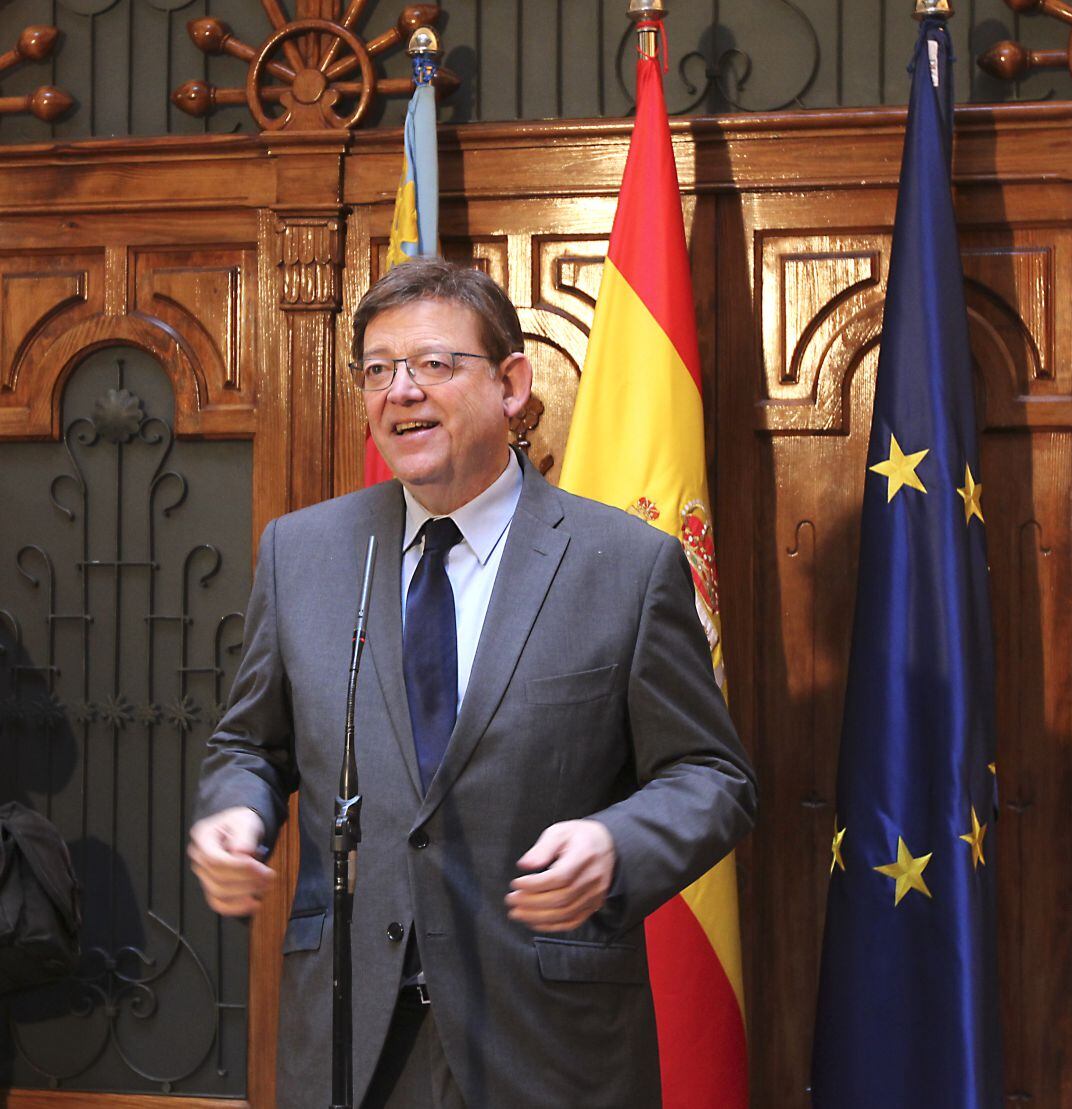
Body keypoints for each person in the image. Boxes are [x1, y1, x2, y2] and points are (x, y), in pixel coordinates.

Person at [188, 259, 757, 1109]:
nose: (400, 391)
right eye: (377, 369)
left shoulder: (626, 565)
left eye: (433, 363)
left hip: (546, 1040)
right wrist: (237, 811)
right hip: (352, 1037)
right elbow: (251, 744)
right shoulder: (303, 553)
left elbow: (713, 777)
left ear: (511, 384)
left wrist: (616, 844)